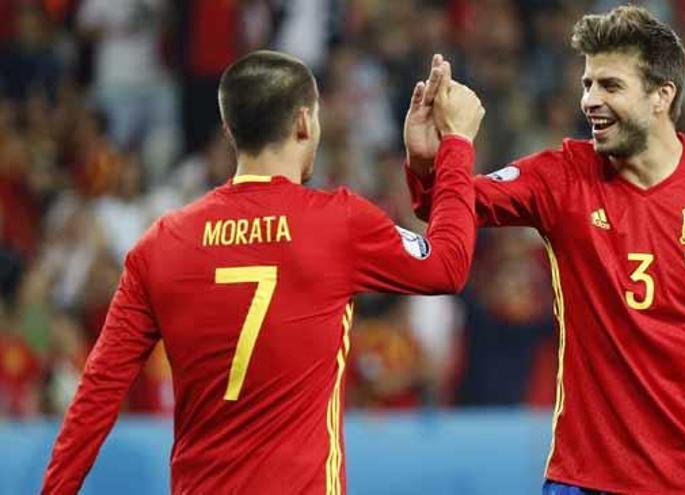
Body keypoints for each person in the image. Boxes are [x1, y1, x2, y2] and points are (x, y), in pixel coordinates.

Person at [404, 7, 685, 495]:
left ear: (662, 96)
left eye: (610, 86)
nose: (590, 100)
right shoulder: (562, 176)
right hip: (583, 481)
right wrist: (428, 159)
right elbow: (447, 203)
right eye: (588, 84)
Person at [42, 50, 484, 494]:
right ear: (304, 122)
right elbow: (448, 264)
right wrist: (451, 151)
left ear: (230, 131)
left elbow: (97, 392)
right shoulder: (339, 223)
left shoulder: (160, 245)